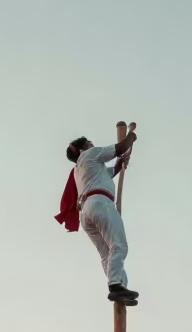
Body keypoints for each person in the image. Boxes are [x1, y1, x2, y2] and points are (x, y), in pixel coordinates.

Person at [59, 125, 139, 305]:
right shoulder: (90, 154)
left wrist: (121, 162)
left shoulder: (82, 169)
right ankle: (116, 284)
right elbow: (118, 148)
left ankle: (119, 287)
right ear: (83, 148)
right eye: (89, 143)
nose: (93, 144)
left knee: (106, 254)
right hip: (100, 203)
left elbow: (111, 171)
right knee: (119, 245)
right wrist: (131, 138)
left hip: (86, 211)